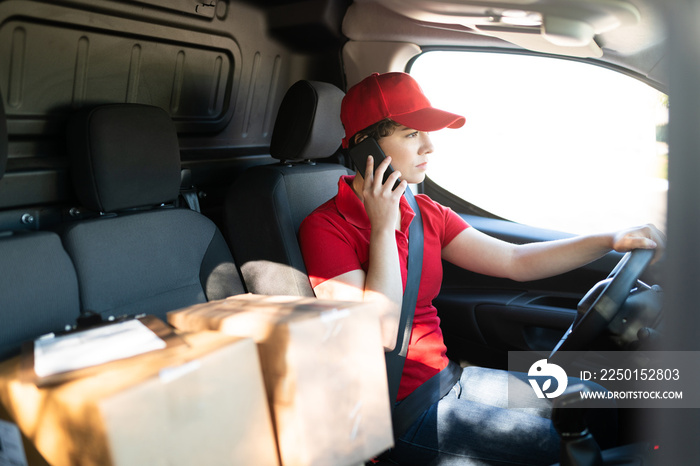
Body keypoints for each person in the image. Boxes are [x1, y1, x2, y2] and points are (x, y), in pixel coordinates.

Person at [298, 72, 665, 465]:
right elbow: (381, 333)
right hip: (392, 414)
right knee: (562, 443)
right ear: (364, 148)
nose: (429, 145)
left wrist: (609, 240)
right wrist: (383, 228)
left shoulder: (424, 213)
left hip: (447, 381)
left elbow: (514, 261)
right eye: (410, 134)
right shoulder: (324, 228)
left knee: (600, 400)